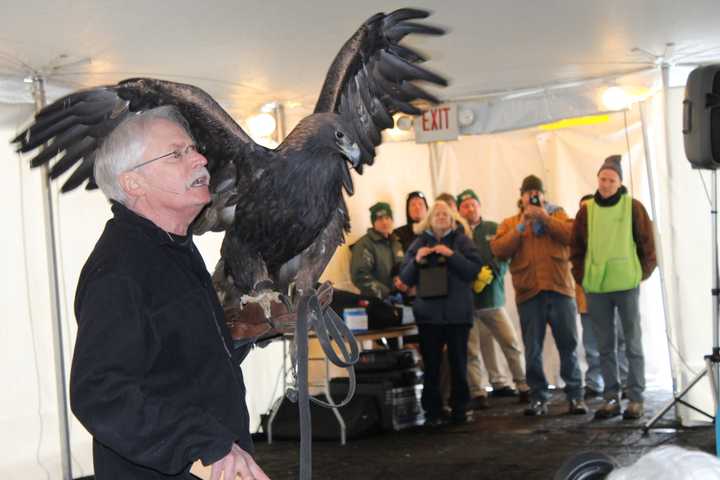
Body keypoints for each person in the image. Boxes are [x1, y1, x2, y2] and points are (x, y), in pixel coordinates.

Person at [69, 107, 269, 480]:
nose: (201, 159)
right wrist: (203, 444)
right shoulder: (120, 269)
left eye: (193, 149)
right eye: (177, 154)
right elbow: (100, 394)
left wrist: (246, 336)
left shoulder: (175, 248)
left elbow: (172, 363)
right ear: (133, 184)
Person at [490, 174, 586, 416]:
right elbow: (499, 249)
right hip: (529, 294)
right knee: (532, 349)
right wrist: (522, 226)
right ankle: (538, 398)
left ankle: (575, 396)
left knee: (569, 345)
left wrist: (545, 218)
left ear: (543, 195)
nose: (532, 196)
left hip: (559, 290)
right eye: (528, 193)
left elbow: (572, 235)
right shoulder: (511, 223)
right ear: (520, 197)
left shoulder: (558, 214)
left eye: (536, 192)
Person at [571, 155, 657, 420]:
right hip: (596, 287)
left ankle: (636, 398)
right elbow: (577, 247)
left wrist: (638, 274)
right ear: (597, 180)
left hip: (625, 285)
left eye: (611, 180)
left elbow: (647, 243)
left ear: (620, 183)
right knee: (604, 345)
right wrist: (583, 277)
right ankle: (610, 399)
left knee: (632, 342)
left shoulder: (633, 207)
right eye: (602, 179)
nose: (606, 183)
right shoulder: (587, 210)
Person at [400, 201, 483, 425]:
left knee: (458, 363)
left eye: (446, 214)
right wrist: (416, 261)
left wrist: (452, 255)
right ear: (429, 219)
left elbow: (474, 270)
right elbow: (404, 278)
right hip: (429, 316)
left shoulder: (462, 241)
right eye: (437, 214)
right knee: (432, 365)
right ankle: (432, 412)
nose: (441, 217)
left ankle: (460, 408)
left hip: (457, 314)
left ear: (453, 218)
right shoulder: (418, 243)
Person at [457, 189, 529, 406]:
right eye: (465, 205)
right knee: (471, 349)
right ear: (460, 210)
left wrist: (492, 272)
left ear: (479, 206)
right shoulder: (457, 233)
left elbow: (504, 252)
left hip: (492, 299)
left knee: (510, 342)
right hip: (467, 301)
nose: (470, 209)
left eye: (473, 204)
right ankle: (478, 391)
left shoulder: (493, 228)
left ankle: (523, 384)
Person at [574, 194, 629, 399]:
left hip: (614, 296)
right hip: (587, 299)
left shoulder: (612, 232)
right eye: (582, 209)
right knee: (592, 346)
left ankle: (624, 381)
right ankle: (595, 382)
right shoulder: (576, 236)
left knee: (621, 341)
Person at [350, 202, 407, 299]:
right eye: (380, 219)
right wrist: (386, 294)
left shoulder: (396, 242)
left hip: (399, 298)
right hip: (375, 302)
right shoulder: (364, 245)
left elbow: (402, 266)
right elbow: (360, 277)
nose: (384, 222)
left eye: (387, 218)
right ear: (373, 223)